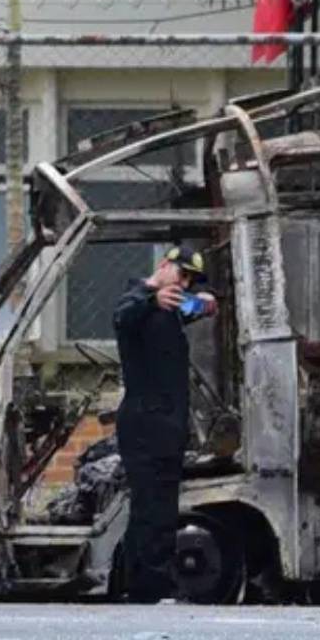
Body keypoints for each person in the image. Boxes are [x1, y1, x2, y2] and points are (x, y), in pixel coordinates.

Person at [113, 245, 217, 603]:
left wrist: (203, 301)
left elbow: (196, 306)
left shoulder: (172, 307)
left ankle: (146, 583)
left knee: (162, 506)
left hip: (167, 423)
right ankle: (147, 584)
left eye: (190, 279)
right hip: (145, 421)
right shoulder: (138, 300)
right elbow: (124, 316)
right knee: (149, 507)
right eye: (182, 273)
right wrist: (152, 300)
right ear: (163, 265)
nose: (184, 282)